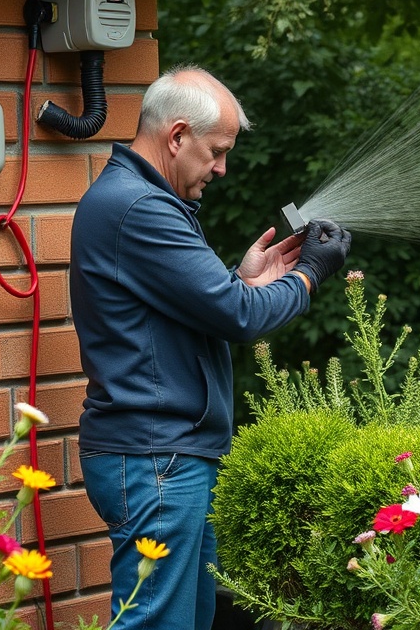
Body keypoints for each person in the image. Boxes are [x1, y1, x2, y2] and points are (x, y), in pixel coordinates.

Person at [69, 65, 351, 630]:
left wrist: (244, 280)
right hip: (156, 459)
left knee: (192, 619)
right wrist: (308, 276)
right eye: (217, 151)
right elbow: (239, 317)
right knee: (158, 624)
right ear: (177, 136)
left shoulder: (141, 200)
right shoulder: (139, 208)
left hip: (167, 456)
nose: (222, 168)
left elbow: (205, 305)